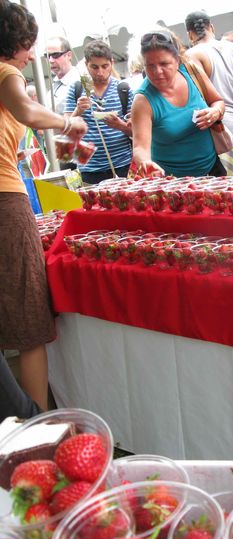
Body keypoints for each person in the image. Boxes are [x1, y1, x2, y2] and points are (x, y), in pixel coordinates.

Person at [0, 0, 87, 412]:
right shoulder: (6, 72)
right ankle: (36, 423)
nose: (32, 55)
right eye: (28, 46)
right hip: (4, 203)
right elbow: (25, 109)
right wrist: (68, 122)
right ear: (14, 43)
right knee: (29, 318)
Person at [132, 30, 226, 178]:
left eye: (164, 64)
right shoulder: (143, 100)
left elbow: (217, 101)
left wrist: (215, 113)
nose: (157, 71)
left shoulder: (191, 71)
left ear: (177, 60)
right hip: (172, 183)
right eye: (150, 65)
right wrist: (145, 162)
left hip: (213, 171)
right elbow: (139, 147)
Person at [185, 10, 233, 177]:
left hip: (219, 134)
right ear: (212, 27)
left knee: (226, 196)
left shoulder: (192, 56)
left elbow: (197, 97)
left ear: (190, 34)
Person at [64, 39, 133, 184]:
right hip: (89, 168)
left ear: (112, 63)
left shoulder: (123, 88)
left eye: (104, 66)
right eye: (94, 67)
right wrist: (78, 110)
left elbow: (137, 131)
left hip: (123, 165)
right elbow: (65, 128)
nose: (100, 72)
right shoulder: (77, 88)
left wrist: (120, 125)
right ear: (86, 65)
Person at [45, 36, 81, 115]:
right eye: (47, 56)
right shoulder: (54, 84)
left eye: (55, 55)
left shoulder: (80, 80)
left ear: (69, 55)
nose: (50, 60)